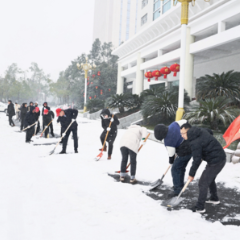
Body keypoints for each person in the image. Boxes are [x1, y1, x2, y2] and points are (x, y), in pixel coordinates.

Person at [180, 123, 226, 213]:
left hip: (216, 161)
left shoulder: (195, 142)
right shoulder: (199, 131)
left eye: (183, 133)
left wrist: (191, 174)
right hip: (219, 158)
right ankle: (214, 198)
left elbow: (196, 160)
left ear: (188, 131)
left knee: (202, 183)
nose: (181, 136)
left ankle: (200, 207)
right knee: (210, 179)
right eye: (180, 133)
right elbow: (209, 132)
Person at [154, 120, 192, 197]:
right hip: (190, 144)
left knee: (175, 169)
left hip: (184, 151)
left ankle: (178, 190)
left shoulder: (168, 141)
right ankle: (179, 185)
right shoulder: (173, 124)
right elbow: (185, 121)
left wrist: (171, 162)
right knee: (180, 168)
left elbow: (171, 155)